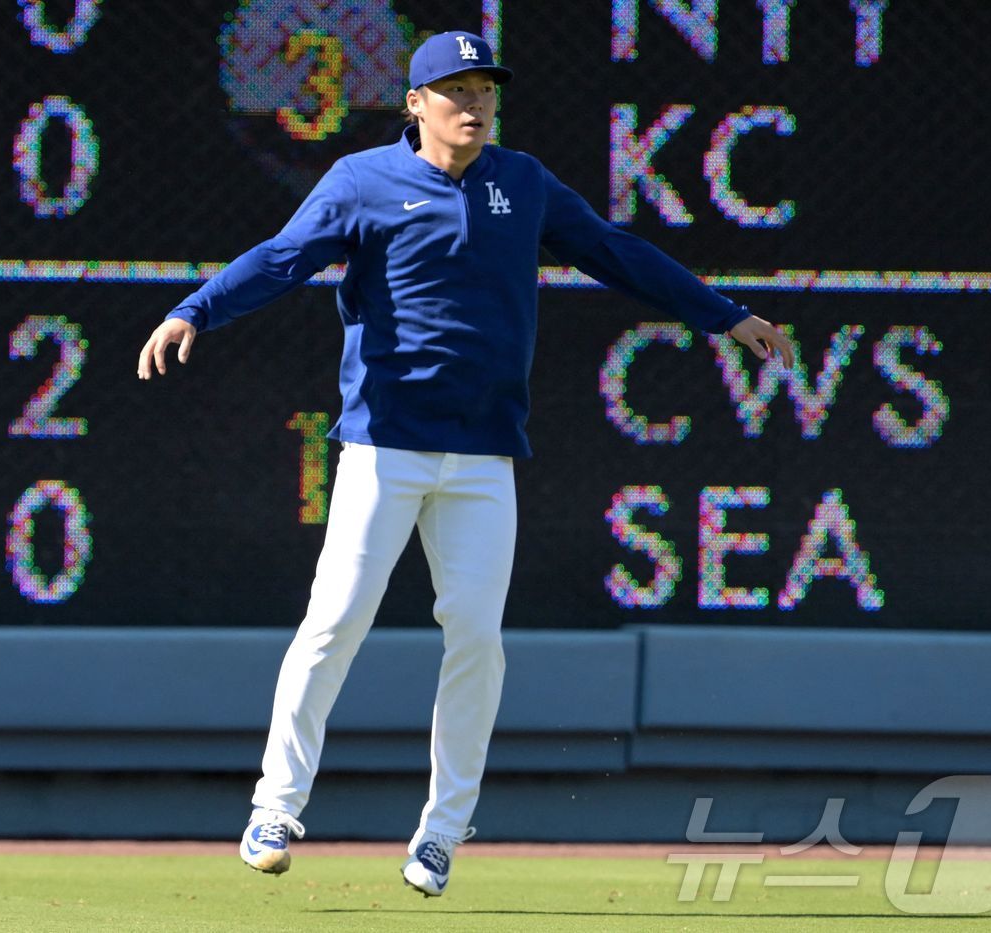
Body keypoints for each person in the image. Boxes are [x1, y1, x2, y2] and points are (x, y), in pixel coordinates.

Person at [138, 29, 793, 897]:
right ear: (415, 104)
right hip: (384, 447)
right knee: (334, 621)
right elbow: (280, 258)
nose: (475, 103)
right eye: (456, 90)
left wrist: (722, 313)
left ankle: (442, 830)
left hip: (484, 454)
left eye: (485, 89)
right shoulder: (362, 181)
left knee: (478, 640)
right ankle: (275, 805)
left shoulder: (522, 183)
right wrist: (196, 309)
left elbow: (615, 252)